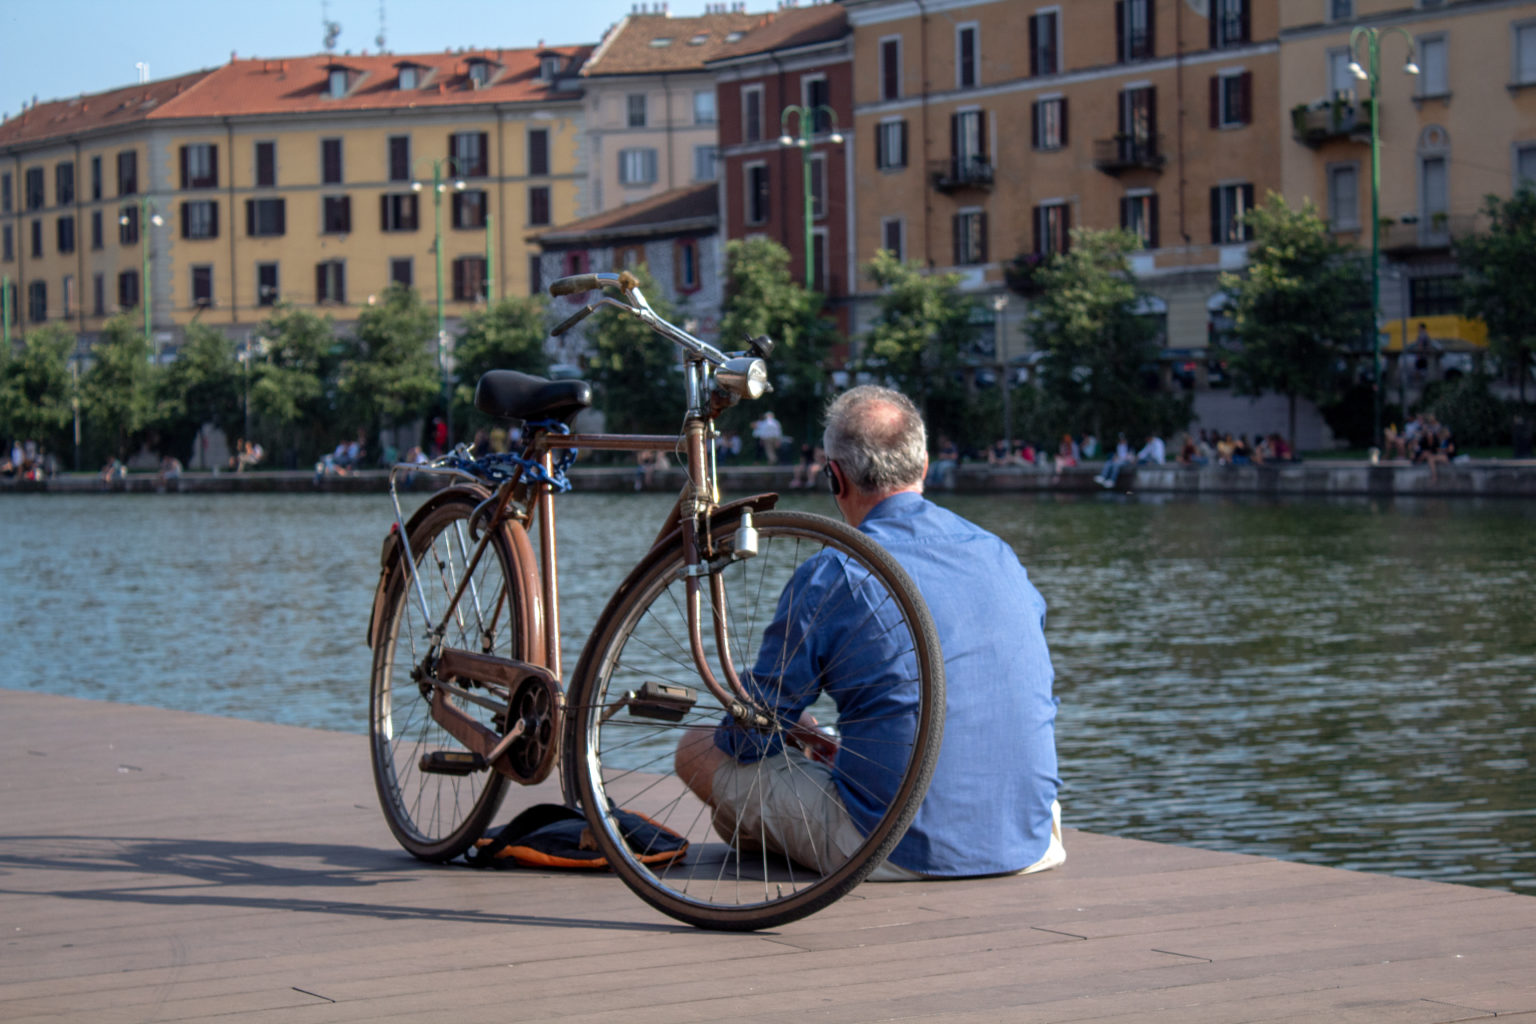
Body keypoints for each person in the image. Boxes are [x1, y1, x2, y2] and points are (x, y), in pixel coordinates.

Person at [674, 385, 1063, 880]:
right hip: (1031, 838)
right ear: (923, 466)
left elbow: (746, 740)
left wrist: (788, 729)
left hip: (896, 848)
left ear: (834, 477)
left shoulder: (836, 570)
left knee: (697, 747)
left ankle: (778, 834)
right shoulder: (999, 554)